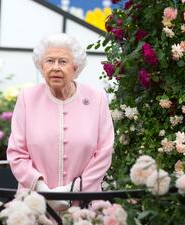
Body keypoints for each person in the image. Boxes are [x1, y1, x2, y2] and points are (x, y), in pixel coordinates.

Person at [6, 33, 114, 211]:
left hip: (84, 205)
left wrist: (72, 190)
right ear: (41, 66)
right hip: (35, 205)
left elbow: (104, 153)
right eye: (50, 61)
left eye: (63, 62)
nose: (55, 68)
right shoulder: (27, 98)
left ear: (75, 67)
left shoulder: (97, 98)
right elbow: (17, 153)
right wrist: (43, 191)